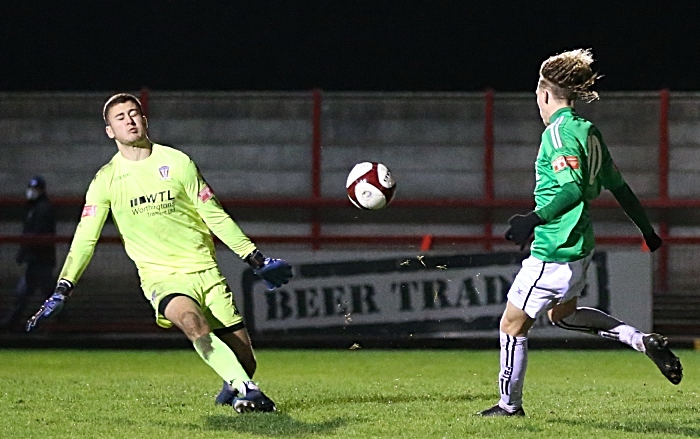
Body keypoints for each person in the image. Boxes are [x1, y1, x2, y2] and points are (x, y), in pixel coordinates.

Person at [25, 93, 293, 414]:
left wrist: (256, 258)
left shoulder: (177, 162)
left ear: (144, 120)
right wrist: (63, 288)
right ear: (110, 131)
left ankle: (237, 385)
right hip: (161, 278)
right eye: (120, 117)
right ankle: (248, 391)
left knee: (244, 361)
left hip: (206, 272)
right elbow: (85, 238)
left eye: (133, 113)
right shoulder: (105, 180)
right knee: (192, 322)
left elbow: (215, 215)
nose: (129, 120)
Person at [478, 49, 683, 417]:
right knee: (563, 316)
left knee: (511, 325)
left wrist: (533, 219)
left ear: (543, 95)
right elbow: (621, 188)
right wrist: (648, 231)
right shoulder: (588, 131)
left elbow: (570, 188)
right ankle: (640, 339)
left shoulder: (556, 134)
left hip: (553, 248)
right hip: (581, 248)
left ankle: (509, 407)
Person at [2, 176, 57, 331]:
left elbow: (35, 234)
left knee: (28, 292)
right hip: (39, 260)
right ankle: (61, 319)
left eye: (35, 189)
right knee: (41, 292)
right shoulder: (36, 208)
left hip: (39, 259)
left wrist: (24, 253)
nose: (32, 192)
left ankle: (12, 320)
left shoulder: (41, 209)